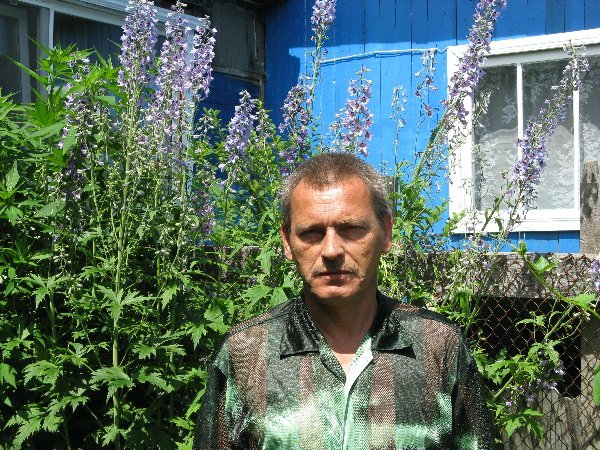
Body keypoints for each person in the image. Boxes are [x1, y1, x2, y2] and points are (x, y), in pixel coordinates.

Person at [194, 153, 495, 449]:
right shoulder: (245, 353)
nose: (331, 250)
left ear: (386, 232)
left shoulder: (438, 345)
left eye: (351, 229)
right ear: (287, 240)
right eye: (311, 232)